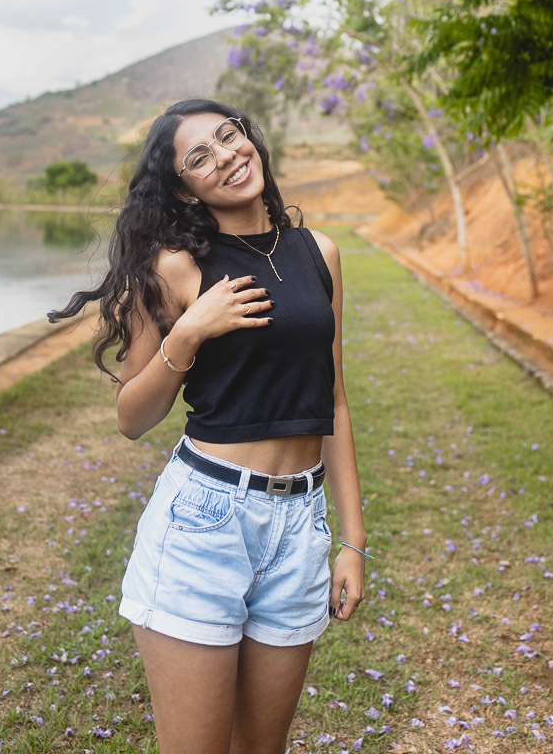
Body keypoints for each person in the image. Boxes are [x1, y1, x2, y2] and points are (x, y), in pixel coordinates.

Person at [50, 97, 368, 754]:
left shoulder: (320, 253)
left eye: (230, 136)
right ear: (184, 190)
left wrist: (352, 540)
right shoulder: (175, 270)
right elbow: (132, 417)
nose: (226, 155)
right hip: (204, 525)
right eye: (201, 156)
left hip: (299, 527)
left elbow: (332, 400)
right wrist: (189, 332)